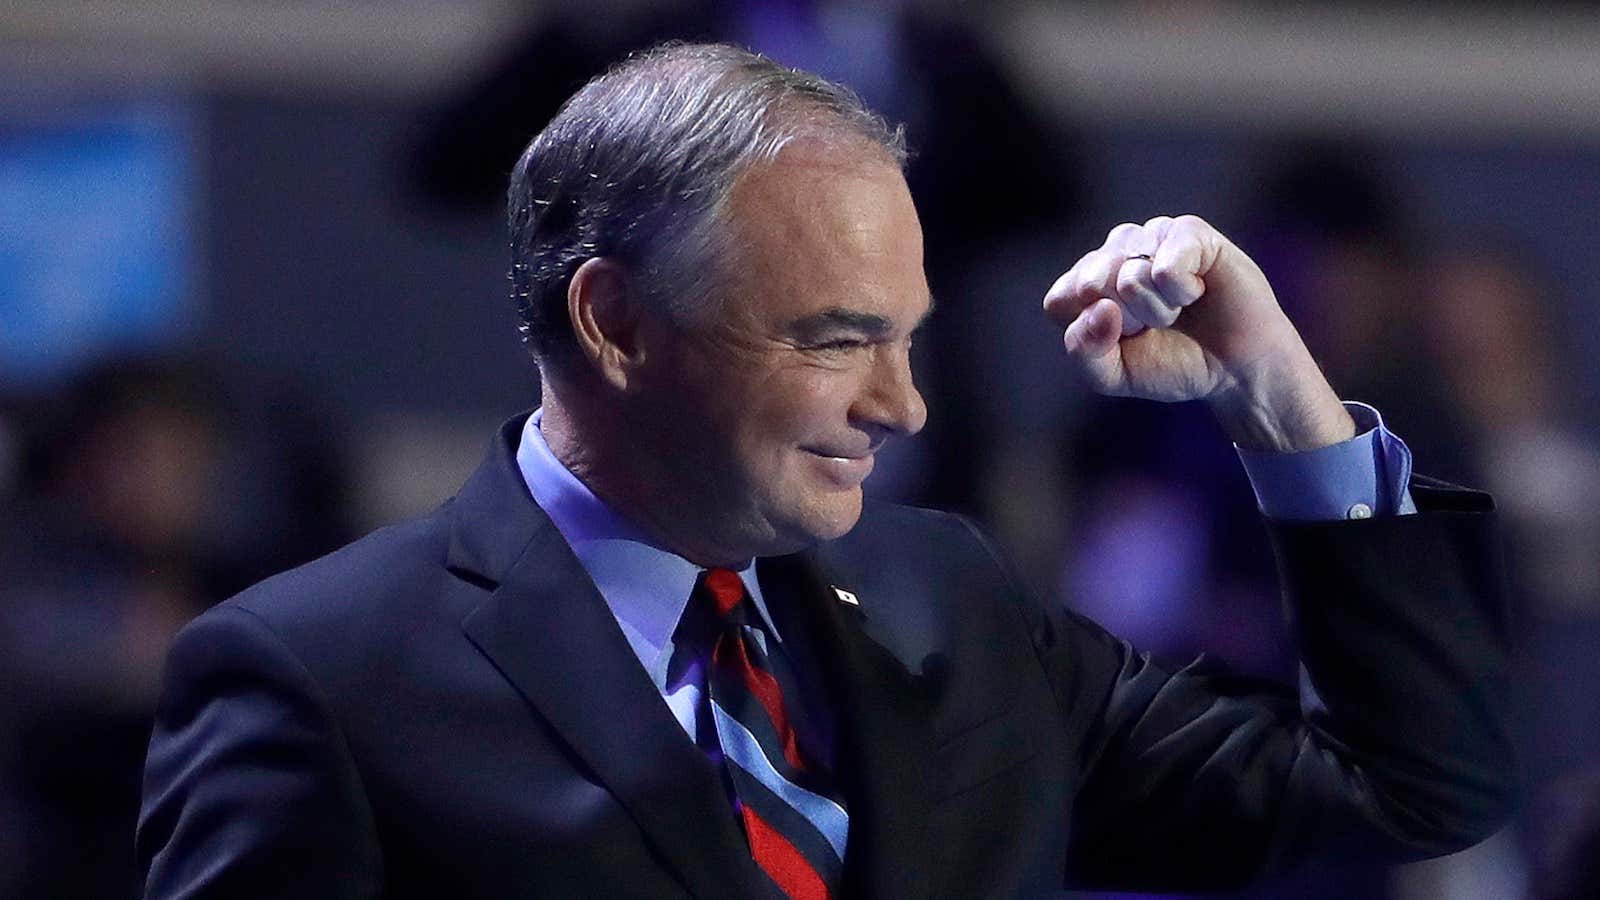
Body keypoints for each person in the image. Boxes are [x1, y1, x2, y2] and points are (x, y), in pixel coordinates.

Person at [136, 43, 1514, 899]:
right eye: (837, 339)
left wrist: (1284, 403)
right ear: (615, 323)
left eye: (906, 339)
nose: (902, 405)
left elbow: (1404, 792)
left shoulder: (953, 601)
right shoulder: (320, 677)